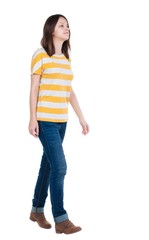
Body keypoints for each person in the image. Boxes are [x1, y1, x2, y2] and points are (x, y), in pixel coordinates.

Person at [28, 14, 89, 235]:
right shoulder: (40, 55)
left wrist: (81, 117)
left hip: (62, 121)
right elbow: (34, 89)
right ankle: (61, 219)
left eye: (68, 25)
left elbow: (68, 90)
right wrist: (32, 118)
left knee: (49, 165)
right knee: (60, 167)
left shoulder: (65, 59)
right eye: (61, 25)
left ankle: (36, 210)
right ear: (51, 29)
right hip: (45, 120)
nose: (67, 28)